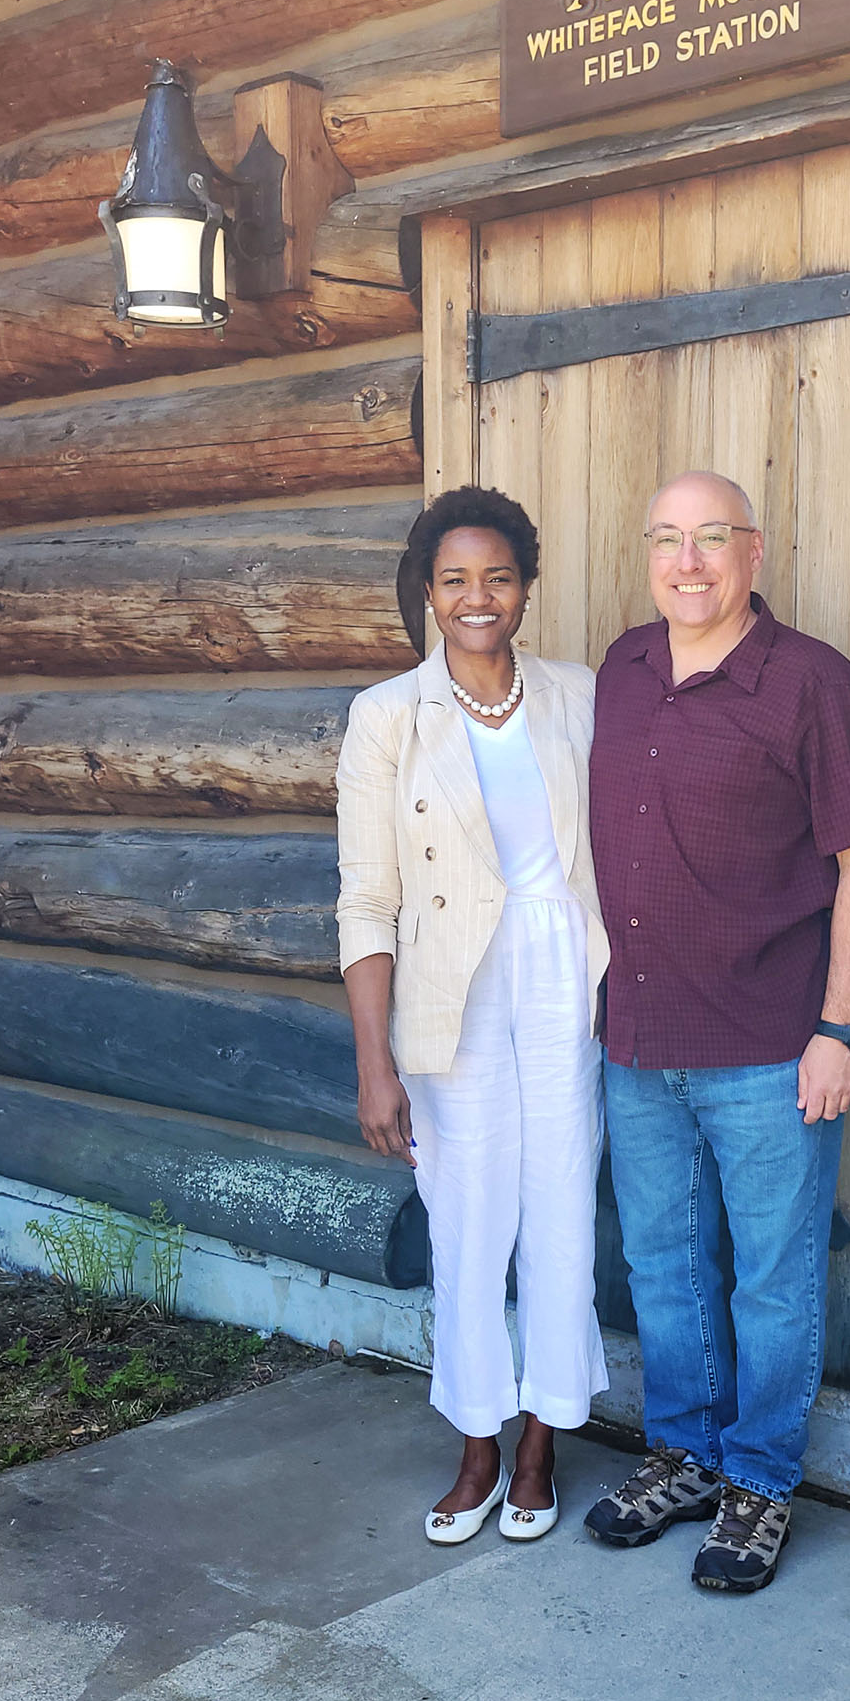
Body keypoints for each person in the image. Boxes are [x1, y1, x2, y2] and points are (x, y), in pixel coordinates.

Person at [583, 470, 850, 1594]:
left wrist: (839, 1028)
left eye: (711, 537)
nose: (688, 560)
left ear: (753, 552)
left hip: (772, 1047)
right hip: (637, 1041)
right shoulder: (619, 671)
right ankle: (686, 1456)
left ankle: (759, 1482)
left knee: (771, 1280)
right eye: (666, 537)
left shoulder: (812, 683)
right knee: (663, 1265)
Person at [336, 486, 609, 1545]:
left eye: (497, 576)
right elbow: (366, 897)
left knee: (559, 1210)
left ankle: (543, 1440)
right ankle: (478, 1442)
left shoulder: (578, 696)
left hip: (560, 971)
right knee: (466, 1217)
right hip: (449, 987)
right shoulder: (387, 716)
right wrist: (375, 1064)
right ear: (428, 592)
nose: (476, 597)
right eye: (454, 579)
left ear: (526, 589)